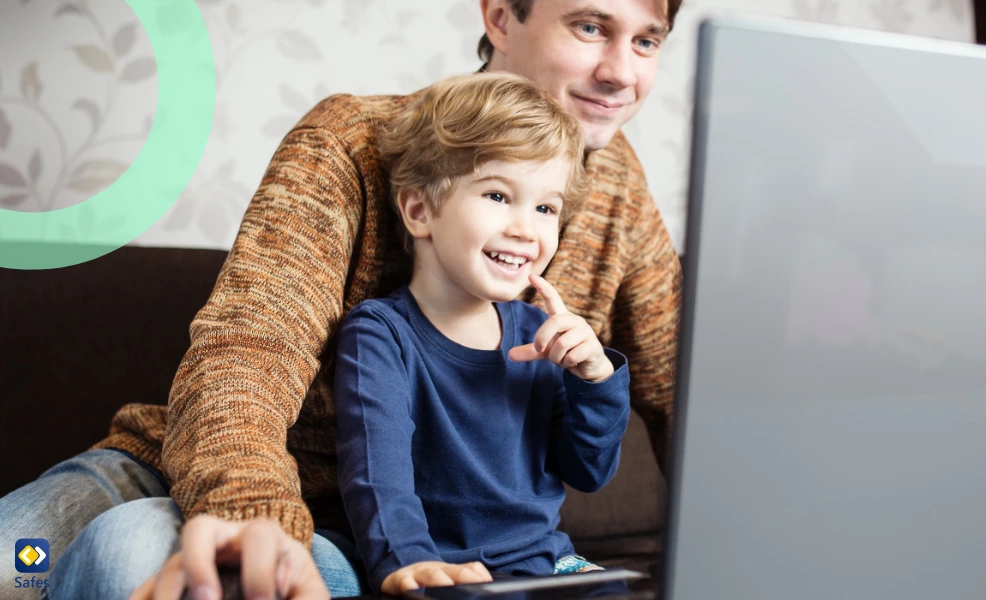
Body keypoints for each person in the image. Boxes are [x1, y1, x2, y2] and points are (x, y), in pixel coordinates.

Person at [0, 1, 682, 598]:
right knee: (24, 563)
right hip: (207, 478)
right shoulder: (352, 142)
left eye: (647, 40)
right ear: (501, 16)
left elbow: (685, 394)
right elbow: (246, 355)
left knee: (126, 557)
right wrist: (257, 526)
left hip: (366, 539)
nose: (622, 72)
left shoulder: (619, 189)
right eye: (591, 27)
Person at [336, 72, 631, 594]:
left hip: (547, 564)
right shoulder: (381, 334)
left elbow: (588, 472)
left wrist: (595, 379)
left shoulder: (544, 334)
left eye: (546, 208)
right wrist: (407, 563)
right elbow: (377, 478)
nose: (526, 228)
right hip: (444, 568)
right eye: (498, 195)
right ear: (420, 211)